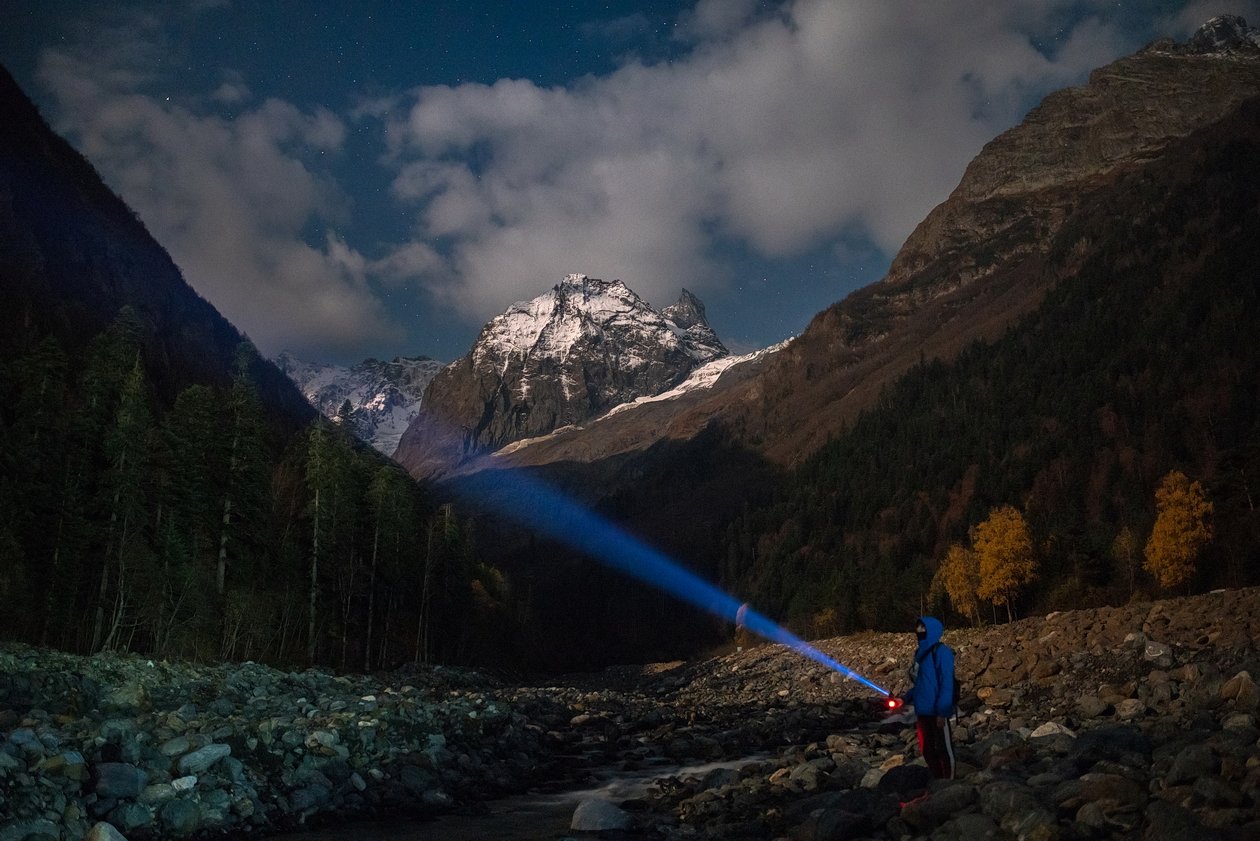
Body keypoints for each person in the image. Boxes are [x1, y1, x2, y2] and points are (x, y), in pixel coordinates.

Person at [904, 616, 956, 779]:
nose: (919, 630)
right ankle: (937, 780)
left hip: (937, 711)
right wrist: (904, 699)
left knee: (943, 748)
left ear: (931, 630)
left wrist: (942, 712)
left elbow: (947, 683)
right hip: (923, 711)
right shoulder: (919, 654)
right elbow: (921, 684)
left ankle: (949, 782)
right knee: (927, 750)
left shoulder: (941, 652)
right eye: (918, 627)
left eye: (923, 627)